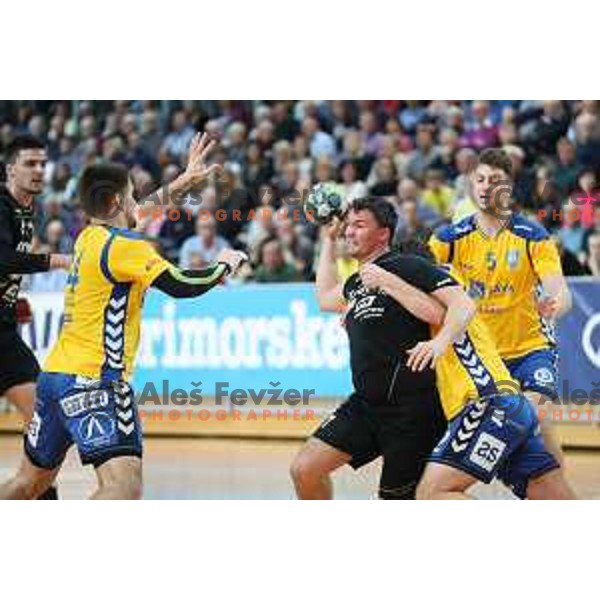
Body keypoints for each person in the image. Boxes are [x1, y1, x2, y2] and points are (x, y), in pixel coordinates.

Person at [0, 133, 248, 500]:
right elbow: (183, 285)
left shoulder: (88, 237)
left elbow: (139, 212)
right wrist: (223, 266)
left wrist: (185, 180)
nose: (138, 203)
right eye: (132, 193)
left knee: (28, 483)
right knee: (123, 487)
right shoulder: (126, 249)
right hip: (96, 381)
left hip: (54, 378)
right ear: (118, 201)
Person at [290, 197, 470, 500]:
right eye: (348, 225)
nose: (350, 231)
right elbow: (324, 299)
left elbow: (444, 310)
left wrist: (389, 284)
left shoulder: (406, 264)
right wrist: (327, 240)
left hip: (411, 412)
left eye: (359, 225)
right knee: (304, 469)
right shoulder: (358, 280)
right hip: (366, 405)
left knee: (398, 501)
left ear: (383, 233)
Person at [359, 248, 575, 499]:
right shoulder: (436, 297)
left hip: (485, 404)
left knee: (433, 494)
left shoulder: (443, 286)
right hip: (506, 405)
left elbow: (434, 312)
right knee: (553, 496)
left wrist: (386, 279)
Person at [428, 147, 572, 467]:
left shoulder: (532, 235)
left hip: (530, 348)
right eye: (479, 179)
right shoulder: (451, 237)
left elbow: (560, 290)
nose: (484, 186)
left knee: (534, 414)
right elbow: (414, 270)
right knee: (509, 428)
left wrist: (554, 304)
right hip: (483, 357)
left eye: (494, 180)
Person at [0, 135, 72, 500]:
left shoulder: (28, 210)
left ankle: (44, 500)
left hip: (4, 333)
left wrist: (13, 302)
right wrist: (55, 259)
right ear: (10, 168)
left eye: (43, 163)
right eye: (30, 163)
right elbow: (2, 257)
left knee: (44, 415)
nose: (39, 170)